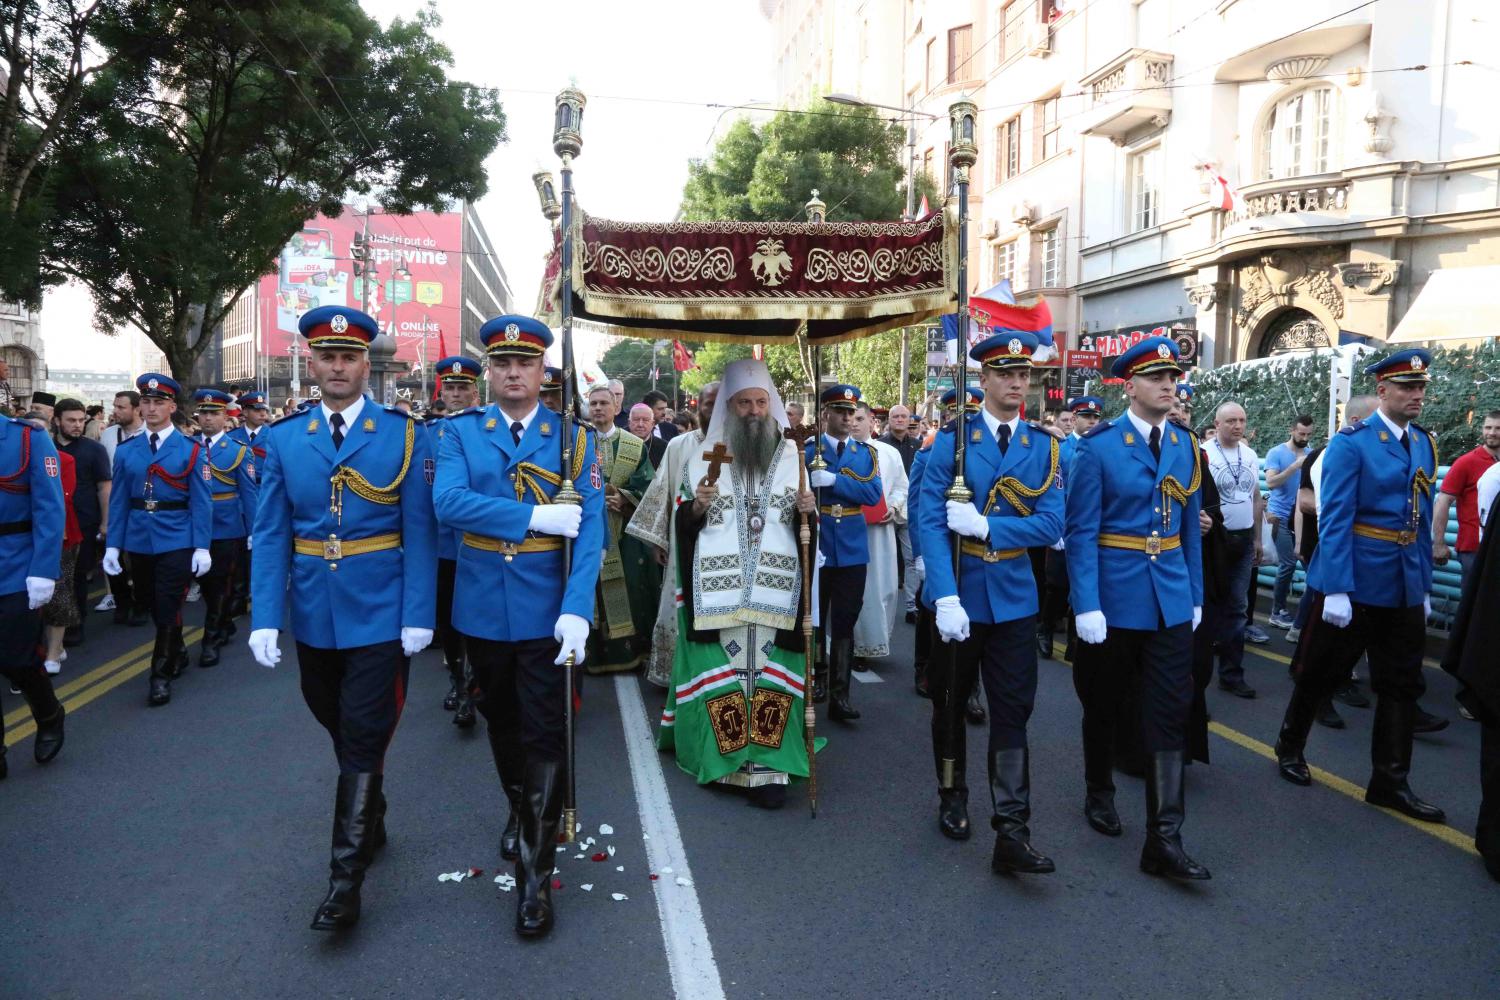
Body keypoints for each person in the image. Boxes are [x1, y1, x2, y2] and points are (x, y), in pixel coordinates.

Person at [247, 306, 437, 932]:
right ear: (312, 363)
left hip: (381, 607)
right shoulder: (284, 437)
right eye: (326, 356)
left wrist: (418, 613)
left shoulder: (403, 435)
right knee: (331, 714)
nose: (337, 366)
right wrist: (265, 616)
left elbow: (420, 529)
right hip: (312, 609)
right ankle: (370, 803)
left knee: (361, 730)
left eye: (348, 357)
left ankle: (344, 881)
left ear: (364, 365)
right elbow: (271, 532)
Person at [432, 313, 603, 939]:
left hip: (546, 606)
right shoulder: (460, 433)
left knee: (545, 731)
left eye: (524, 364)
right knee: (502, 722)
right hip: (482, 605)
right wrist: (533, 516)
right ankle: (519, 807)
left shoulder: (573, 439)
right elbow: (447, 503)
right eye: (501, 363)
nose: (512, 373)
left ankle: (534, 875)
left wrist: (578, 607)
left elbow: (591, 530)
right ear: (489, 371)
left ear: (541, 371)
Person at [1275, 348, 1447, 824]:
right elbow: (1336, 517)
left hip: (1404, 582)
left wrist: (1423, 586)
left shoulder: (1423, 443)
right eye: (1407, 387)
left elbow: (1419, 518)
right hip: (1356, 581)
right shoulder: (1352, 443)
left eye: (1421, 387)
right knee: (1320, 672)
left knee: (1401, 684)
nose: (1416, 395)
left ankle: (1389, 782)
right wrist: (1333, 588)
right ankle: (1290, 745)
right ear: (1383, 390)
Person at [916, 331, 1064, 874]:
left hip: (1015, 598)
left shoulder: (1043, 446)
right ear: (984, 379)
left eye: (1024, 374)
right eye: (1006, 373)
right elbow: (930, 520)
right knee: (950, 701)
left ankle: (1012, 828)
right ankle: (952, 794)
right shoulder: (955, 440)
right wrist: (944, 595)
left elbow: (1052, 522)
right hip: (960, 592)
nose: (1017, 382)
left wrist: (987, 526)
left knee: (1013, 711)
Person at [1067, 336, 1209, 881]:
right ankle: (1099, 789)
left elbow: (1189, 529)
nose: (1168, 386)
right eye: (1156, 378)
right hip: (1113, 596)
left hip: (1169, 596)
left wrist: (1194, 594)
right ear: (1130, 386)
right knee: (1103, 701)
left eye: (1173, 377)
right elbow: (1082, 531)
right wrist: (1086, 603)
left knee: (1169, 710)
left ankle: (1164, 839)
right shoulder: (1099, 446)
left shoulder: (1185, 444)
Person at [656, 358, 818, 809]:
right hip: (718, 592)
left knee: (768, 676)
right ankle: (726, 761)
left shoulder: (793, 456)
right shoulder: (703, 456)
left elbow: (805, 529)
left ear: (771, 406)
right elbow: (683, 525)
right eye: (743, 403)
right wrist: (695, 508)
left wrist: (808, 512)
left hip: (776, 589)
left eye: (760, 402)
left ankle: (768, 765)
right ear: (729, 407)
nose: (753, 411)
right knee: (726, 678)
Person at [103, 374, 213, 707]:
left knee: (167, 603)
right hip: (138, 537)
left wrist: (202, 546)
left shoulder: (191, 449)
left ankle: (160, 674)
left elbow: (201, 502)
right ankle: (177, 649)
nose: (151, 408)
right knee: (150, 600)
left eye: (158, 402)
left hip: (176, 536)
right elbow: (119, 501)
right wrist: (113, 544)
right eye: (146, 402)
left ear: (172, 407)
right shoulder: (127, 450)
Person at [626, 381, 720, 688]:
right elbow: (662, 491)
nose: (715, 410)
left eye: (722, 403)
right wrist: (658, 541)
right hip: (684, 543)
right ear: (698, 408)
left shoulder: (745, 446)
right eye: (708, 404)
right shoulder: (679, 445)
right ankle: (676, 673)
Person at [807, 384, 882, 722]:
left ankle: (841, 694)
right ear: (826, 413)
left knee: (845, 620)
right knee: (814, 616)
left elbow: (872, 494)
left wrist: (834, 481)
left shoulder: (865, 454)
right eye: (840, 411)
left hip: (852, 547)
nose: (848, 418)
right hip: (818, 541)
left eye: (851, 412)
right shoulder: (809, 450)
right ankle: (817, 678)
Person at [0, 407, 67, 780]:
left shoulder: (26, 438)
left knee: (17, 659)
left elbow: (49, 507)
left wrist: (43, 569)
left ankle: (48, 714)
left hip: (14, 565)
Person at [910, 388, 981, 699]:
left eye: (971, 413)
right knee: (931, 605)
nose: (965, 420)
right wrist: (920, 553)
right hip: (940, 546)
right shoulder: (928, 454)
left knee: (975, 618)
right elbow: (918, 508)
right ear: (948, 415)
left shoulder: (985, 454)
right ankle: (924, 667)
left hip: (974, 547)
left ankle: (972, 690)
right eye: (957, 413)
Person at [584, 383, 659, 674]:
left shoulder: (633, 445)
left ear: (616, 408)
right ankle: (592, 656)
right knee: (591, 590)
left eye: (604, 403)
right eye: (593, 403)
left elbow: (649, 486)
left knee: (630, 590)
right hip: (587, 532)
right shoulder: (577, 441)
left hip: (624, 532)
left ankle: (628, 653)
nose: (598, 408)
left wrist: (625, 499)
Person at [428, 355, 482, 728]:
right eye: (451, 388)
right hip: (441, 542)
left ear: (475, 391)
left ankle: (475, 683)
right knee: (447, 618)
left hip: (478, 540)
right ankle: (458, 683)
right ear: (442, 392)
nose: (457, 394)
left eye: (463, 387)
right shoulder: (425, 433)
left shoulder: (487, 429)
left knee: (476, 614)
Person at [190, 389, 256, 668]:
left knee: (220, 584)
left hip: (226, 525)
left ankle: (211, 639)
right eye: (204, 413)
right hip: (193, 524)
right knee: (205, 585)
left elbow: (249, 493)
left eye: (214, 413)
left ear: (225, 417)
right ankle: (224, 622)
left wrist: (253, 530)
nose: (208, 418)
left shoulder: (238, 450)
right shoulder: (188, 446)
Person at [1037, 395, 1103, 661]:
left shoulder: (1102, 448)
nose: (1092, 422)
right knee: (1058, 586)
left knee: (1084, 585)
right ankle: (1045, 629)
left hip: (1092, 529)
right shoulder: (1061, 450)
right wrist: (1056, 530)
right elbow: (1053, 492)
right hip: (1064, 529)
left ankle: (1077, 641)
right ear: (1074, 419)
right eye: (1087, 417)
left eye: (1096, 417)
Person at [1204, 401, 1262, 699]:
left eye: (1242, 420)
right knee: (1208, 608)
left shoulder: (1249, 455)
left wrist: (1257, 539)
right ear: (1217, 424)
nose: (1238, 426)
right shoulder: (1203, 453)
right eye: (1231, 421)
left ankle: (1231, 674)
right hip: (1214, 541)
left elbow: (1255, 497)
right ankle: (1196, 681)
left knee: (1238, 608)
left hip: (1243, 538)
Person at [851, 400, 907, 665]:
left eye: (859, 418)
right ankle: (854, 647)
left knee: (883, 586)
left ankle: (875, 642)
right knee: (856, 589)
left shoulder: (888, 453)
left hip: (880, 533)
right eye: (849, 418)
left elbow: (901, 487)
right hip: (849, 531)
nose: (853, 423)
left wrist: (893, 507)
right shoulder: (835, 452)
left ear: (871, 421)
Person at [54, 399, 111, 647]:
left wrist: (105, 522)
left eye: (81, 420)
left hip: (84, 522)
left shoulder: (94, 450)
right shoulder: (45, 447)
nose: (77, 425)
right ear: (57, 420)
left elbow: (104, 487)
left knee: (77, 576)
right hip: (52, 525)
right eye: (71, 420)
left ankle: (76, 624)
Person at [1434, 410, 1500, 581]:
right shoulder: (1467, 462)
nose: (1492, 432)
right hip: (1474, 549)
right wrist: (1439, 543)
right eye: (1488, 427)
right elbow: (1443, 501)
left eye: (1498, 428)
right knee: (1475, 597)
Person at [100, 389, 147, 624]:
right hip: (114, 502)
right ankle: (122, 601)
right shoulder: (108, 435)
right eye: (115, 406)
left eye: (121, 407)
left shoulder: (150, 433)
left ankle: (141, 604)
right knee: (112, 553)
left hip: (140, 502)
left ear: (136, 409)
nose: (115, 411)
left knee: (139, 559)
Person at [1264, 415, 1315, 629]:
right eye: (1301, 433)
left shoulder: (1311, 453)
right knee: (1288, 563)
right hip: (1281, 515)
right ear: (1291, 430)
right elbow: (1270, 482)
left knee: (1310, 564)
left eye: (1308, 434)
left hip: (1303, 517)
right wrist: (1295, 466)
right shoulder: (1276, 452)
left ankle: (1309, 612)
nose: (1305, 438)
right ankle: (1277, 611)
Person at [227, 391, 271, 618]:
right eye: (256, 410)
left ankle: (266, 593)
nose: (262, 413)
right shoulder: (232, 437)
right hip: (239, 498)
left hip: (266, 494)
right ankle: (240, 594)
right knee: (240, 549)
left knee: (267, 546)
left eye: (264, 409)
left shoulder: (273, 436)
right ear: (244, 412)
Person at [879, 404, 921, 621]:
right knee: (883, 558)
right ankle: (880, 605)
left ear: (909, 420)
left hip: (910, 510)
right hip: (886, 509)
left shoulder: (918, 446)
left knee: (912, 558)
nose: (900, 419)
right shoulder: (878, 445)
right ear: (889, 419)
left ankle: (911, 605)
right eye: (895, 416)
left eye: (904, 416)